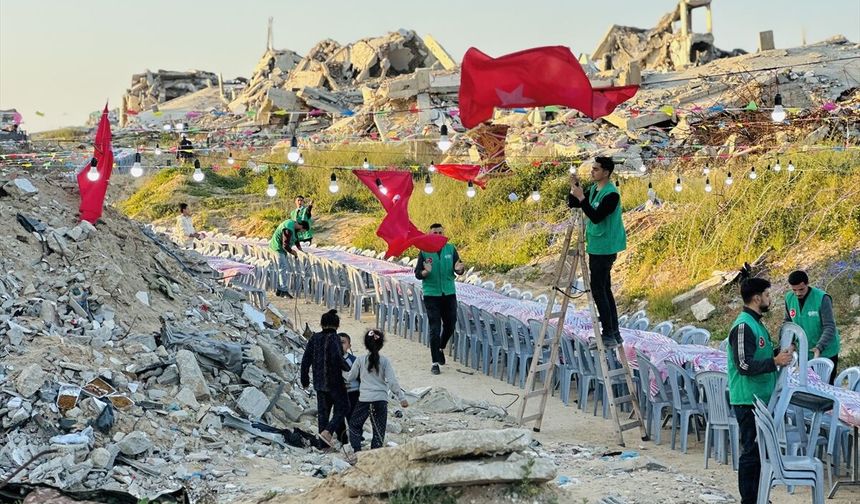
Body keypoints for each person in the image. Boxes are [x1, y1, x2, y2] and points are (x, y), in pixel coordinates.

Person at [726, 268, 793, 504]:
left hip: (761, 399)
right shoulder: (744, 325)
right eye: (766, 294)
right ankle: (750, 500)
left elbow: (759, 353)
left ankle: (760, 497)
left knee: (761, 453)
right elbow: (744, 364)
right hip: (748, 400)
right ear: (756, 298)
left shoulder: (756, 324)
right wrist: (775, 361)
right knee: (751, 454)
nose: (769, 298)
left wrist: (779, 354)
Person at [567, 156, 626, 349]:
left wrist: (582, 198)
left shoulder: (611, 195)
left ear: (606, 173)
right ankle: (613, 332)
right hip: (596, 245)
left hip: (606, 247)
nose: (592, 172)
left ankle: (608, 333)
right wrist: (575, 189)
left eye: (596, 169)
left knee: (599, 289)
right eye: (592, 169)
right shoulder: (594, 190)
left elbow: (596, 217)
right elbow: (575, 204)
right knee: (604, 289)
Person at [345, 329, 408, 454]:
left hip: (364, 400)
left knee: (354, 425)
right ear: (381, 345)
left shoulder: (360, 360)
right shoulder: (385, 361)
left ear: (366, 344)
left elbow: (350, 377)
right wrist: (402, 398)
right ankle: (375, 454)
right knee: (379, 430)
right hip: (381, 400)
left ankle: (357, 451)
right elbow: (392, 381)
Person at [414, 224, 465, 375]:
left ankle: (441, 347)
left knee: (450, 324)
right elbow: (417, 273)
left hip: (449, 292)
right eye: (435, 232)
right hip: (431, 294)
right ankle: (434, 362)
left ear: (444, 234)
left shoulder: (450, 249)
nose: (438, 234)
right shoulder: (424, 251)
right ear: (430, 234)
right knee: (435, 328)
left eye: (440, 232)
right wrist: (425, 271)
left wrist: (459, 270)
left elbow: (459, 268)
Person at [300, 309, 351, 449]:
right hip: (335, 382)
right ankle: (328, 432)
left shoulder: (314, 338)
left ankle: (325, 444)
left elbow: (306, 360)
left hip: (319, 382)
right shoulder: (334, 338)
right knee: (343, 407)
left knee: (324, 413)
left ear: (322, 324)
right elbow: (337, 358)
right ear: (337, 326)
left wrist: (304, 379)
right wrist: (349, 369)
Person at [784, 270, 840, 383]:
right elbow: (788, 322)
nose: (798, 293)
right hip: (804, 350)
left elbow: (829, 326)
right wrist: (791, 343)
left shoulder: (822, 298)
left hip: (825, 351)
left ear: (807, 283)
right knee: (806, 384)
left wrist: (819, 347)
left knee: (825, 385)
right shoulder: (789, 298)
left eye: (801, 289)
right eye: (794, 290)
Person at [269, 218, 309, 297]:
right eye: (302, 230)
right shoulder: (288, 228)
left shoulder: (293, 225)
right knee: (283, 268)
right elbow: (285, 245)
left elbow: (296, 238)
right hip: (277, 248)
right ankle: (284, 290)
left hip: (280, 249)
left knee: (282, 268)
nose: (301, 232)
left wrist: (300, 249)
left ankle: (280, 289)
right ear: (301, 226)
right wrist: (293, 252)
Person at [336, 332, 360, 445]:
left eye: (343, 343)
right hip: (338, 394)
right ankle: (342, 440)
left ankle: (355, 439)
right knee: (339, 418)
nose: (340, 345)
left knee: (353, 417)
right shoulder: (331, 360)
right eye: (338, 343)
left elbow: (361, 377)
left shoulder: (354, 360)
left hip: (353, 393)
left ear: (349, 345)